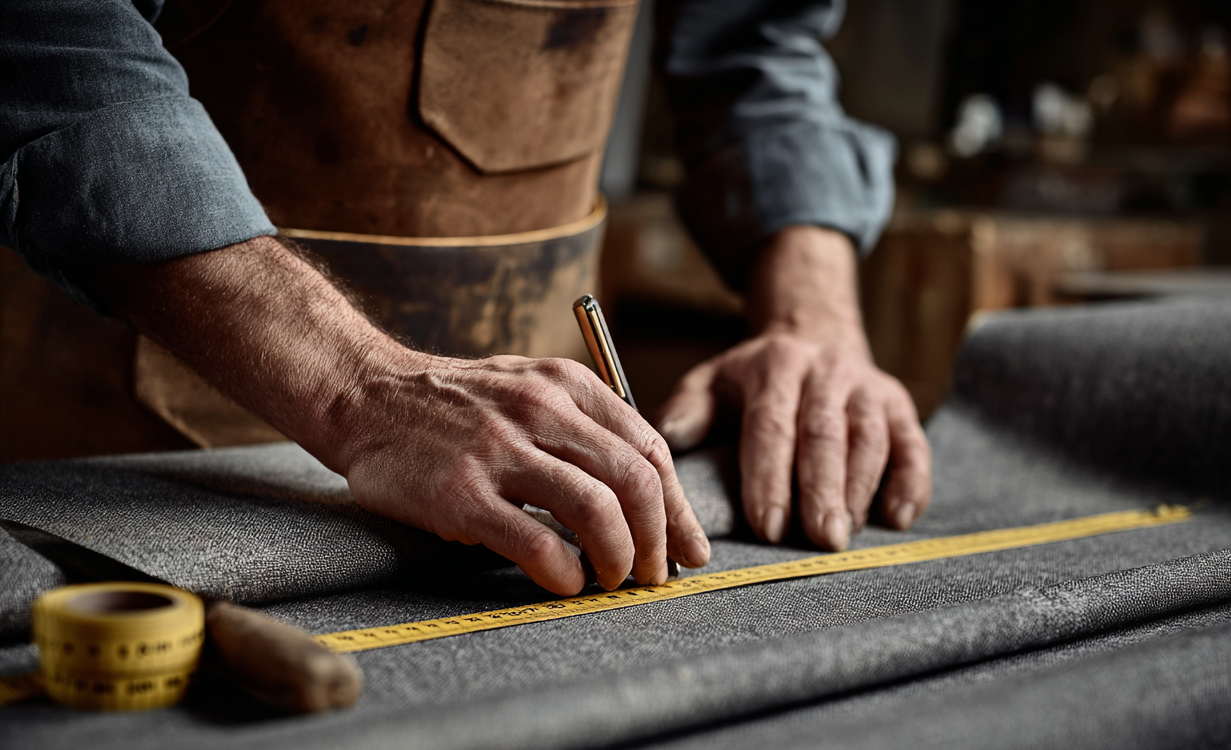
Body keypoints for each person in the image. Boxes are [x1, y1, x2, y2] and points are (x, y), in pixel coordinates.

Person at [1, 0, 931, 596]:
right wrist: (357, 387)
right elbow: (52, 48)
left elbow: (756, 46)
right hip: (124, 447)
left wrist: (815, 318)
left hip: (536, 478)